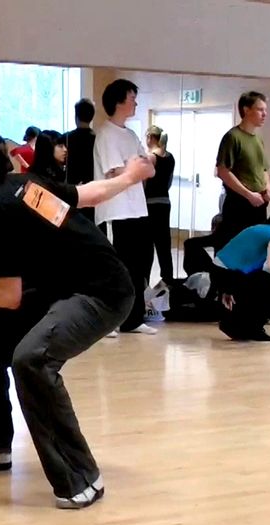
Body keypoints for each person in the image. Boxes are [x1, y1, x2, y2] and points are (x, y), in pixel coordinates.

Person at [0, 128, 154, 510]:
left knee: (32, 359)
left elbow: (8, 295)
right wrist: (130, 176)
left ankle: (81, 477)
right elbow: (85, 195)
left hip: (101, 290)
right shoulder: (22, 186)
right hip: (62, 285)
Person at [93, 79, 156, 336]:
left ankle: (133, 318)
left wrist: (136, 167)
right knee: (117, 267)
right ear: (119, 101)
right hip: (116, 211)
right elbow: (117, 171)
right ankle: (110, 319)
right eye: (132, 98)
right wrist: (135, 167)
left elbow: (148, 168)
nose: (135, 103)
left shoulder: (130, 134)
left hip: (137, 209)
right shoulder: (106, 134)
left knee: (138, 266)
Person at [212, 203, 270, 341]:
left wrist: (227, 287)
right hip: (229, 274)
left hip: (221, 272)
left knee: (264, 283)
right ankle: (250, 327)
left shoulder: (261, 228)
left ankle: (237, 323)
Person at [215, 91, 270, 249]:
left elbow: (263, 168)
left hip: (259, 204)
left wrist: (268, 186)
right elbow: (223, 171)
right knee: (236, 247)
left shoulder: (258, 139)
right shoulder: (232, 137)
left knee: (256, 249)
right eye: (260, 109)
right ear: (246, 110)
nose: (264, 114)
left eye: (265, 110)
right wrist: (248, 194)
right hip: (239, 204)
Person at [144, 125, 176, 286]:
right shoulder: (170, 157)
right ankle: (168, 279)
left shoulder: (150, 158)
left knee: (147, 245)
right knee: (164, 244)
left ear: (151, 137)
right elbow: (169, 181)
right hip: (165, 202)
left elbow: (144, 184)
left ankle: (145, 280)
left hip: (150, 204)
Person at [66, 98, 97, 222]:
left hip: (72, 189)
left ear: (76, 116)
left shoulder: (67, 138)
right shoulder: (97, 139)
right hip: (93, 188)